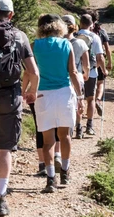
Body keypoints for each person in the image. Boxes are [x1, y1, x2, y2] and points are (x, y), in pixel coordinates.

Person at [0, 0, 39, 217]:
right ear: (11, 15)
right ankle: (0, 197)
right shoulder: (20, 36)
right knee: (4, 149)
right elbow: (33, 71)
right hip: (10, 95)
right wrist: (31, 92)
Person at [32, 14, 84, 192]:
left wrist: (28, 91)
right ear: (59, 27)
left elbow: (31, 72)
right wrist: (80, 97)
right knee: (65, 136)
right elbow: (73, 72)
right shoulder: (66, 44)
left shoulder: (35, 45)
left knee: (48, 141)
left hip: (43, 95)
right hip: (64, 93)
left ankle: (50, 178)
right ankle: (65, 172)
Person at [77, 13, 106, 136]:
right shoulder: (95, 37)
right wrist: (103, 70)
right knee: (90, 99)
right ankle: (89, 126)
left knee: (78, 99)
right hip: (92, 72)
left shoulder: (75, 36)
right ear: (92, 24)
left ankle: (78, 129)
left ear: (80, 23)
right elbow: (100, 57)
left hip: (76, 73)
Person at [63, 14, 90, 139]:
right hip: (77, 76)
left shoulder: (58, 43)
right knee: (78, 101)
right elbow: (86, 64)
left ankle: (67, 128)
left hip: (62, 77)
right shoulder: (81, 43)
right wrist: (86, 74)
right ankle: (79, 127)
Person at [91, 12, 113, 115]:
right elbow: (107, 49)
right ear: (97, 19)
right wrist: (110, 62)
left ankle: (88, 105)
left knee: (88, 84)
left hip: (86, 60)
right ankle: (98, 100)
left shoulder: (83, 31)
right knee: (100, 83)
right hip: (100, 59)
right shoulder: (101, 31)